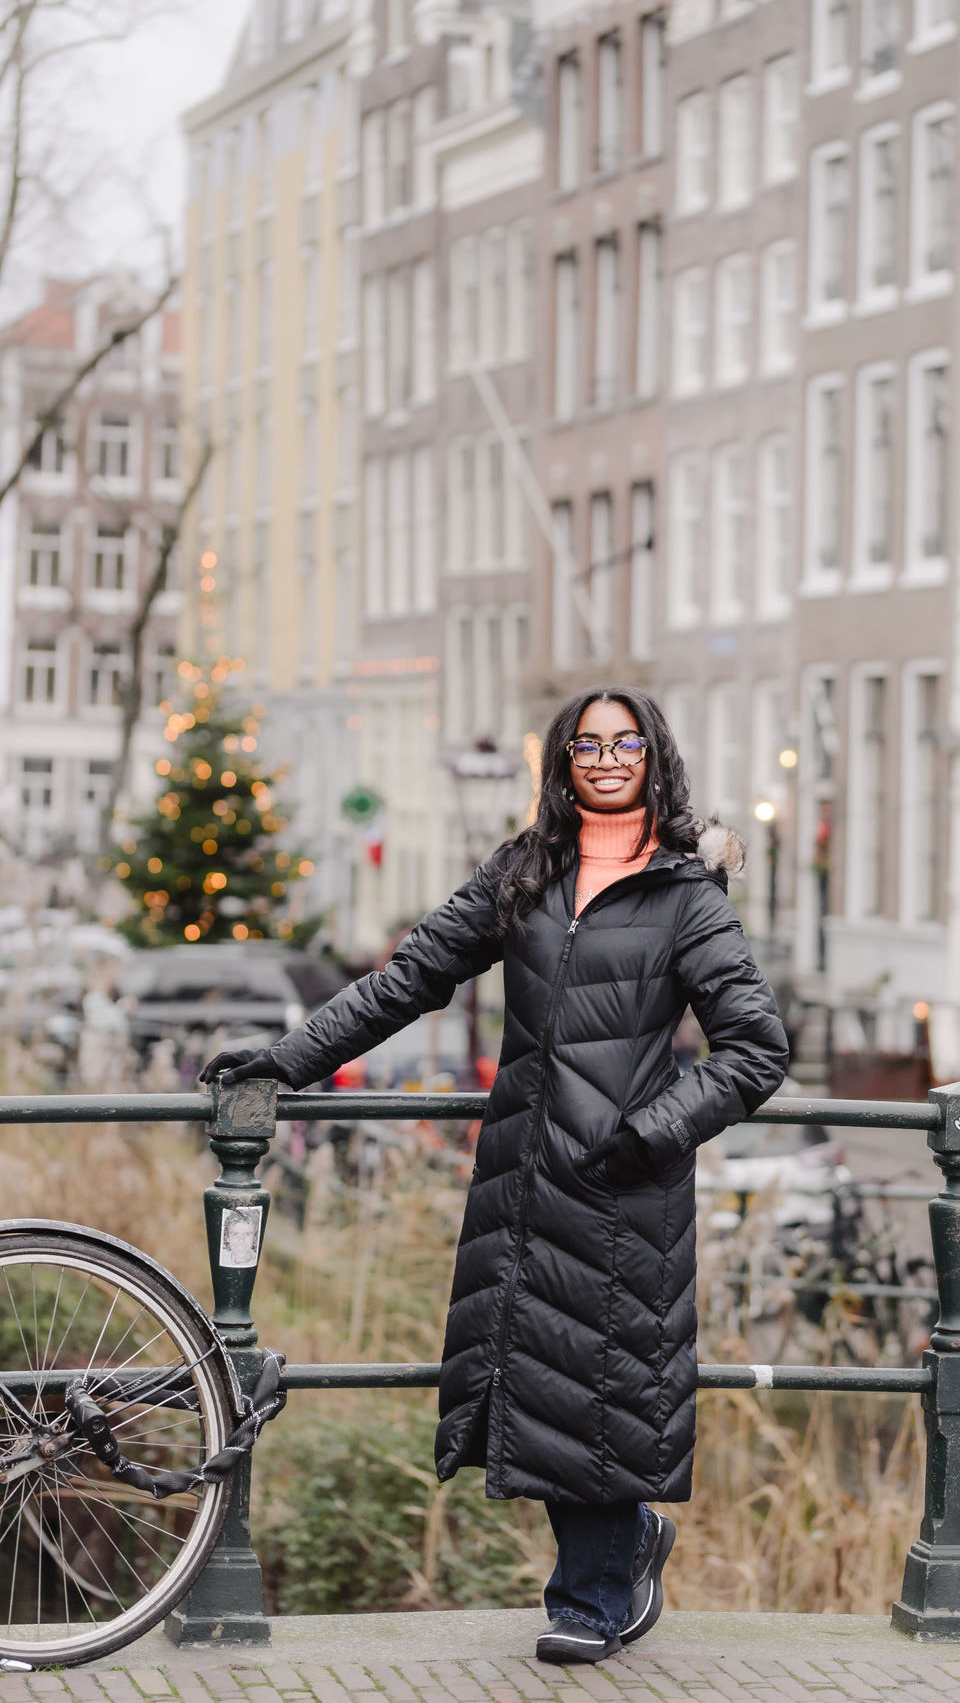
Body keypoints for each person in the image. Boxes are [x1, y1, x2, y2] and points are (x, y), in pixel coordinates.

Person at [200, 686, 789, 1664]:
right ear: (560, 761)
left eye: (625, 741)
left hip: (624, 1177)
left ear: (654, 757)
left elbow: (757, 1048)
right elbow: (411, 977)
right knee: (541, 1371)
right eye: (586, 743)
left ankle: (595, 1593)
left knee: (601, 1374)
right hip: (523, 1168)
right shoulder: (525, 871)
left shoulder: (684, 893)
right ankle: (625, 1552)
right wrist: (290, 1059)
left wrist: (650, 1131)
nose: (606, 757)